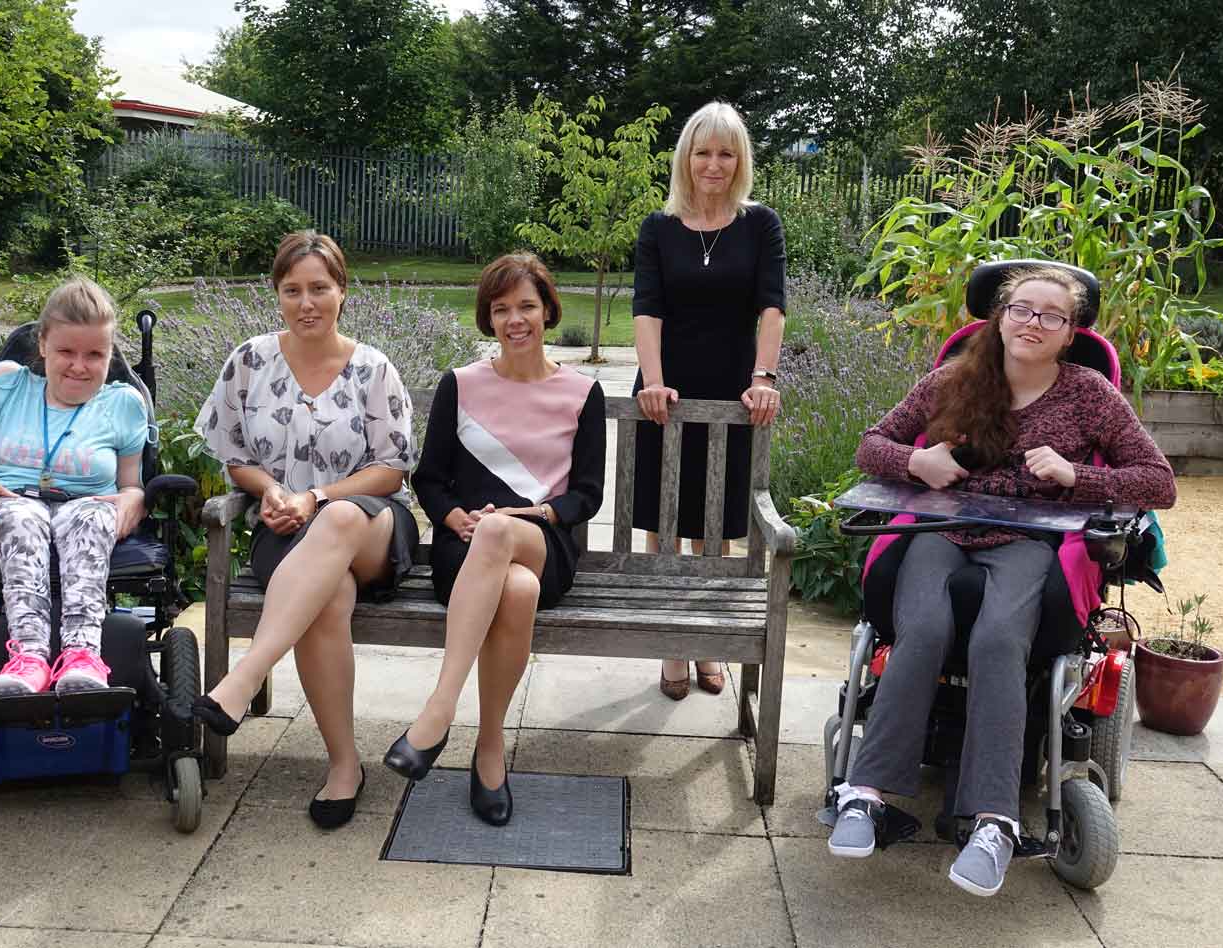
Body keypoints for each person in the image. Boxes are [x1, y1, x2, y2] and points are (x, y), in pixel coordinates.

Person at [825, 264, 1177, 897]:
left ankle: (994, 822)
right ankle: (865, 795)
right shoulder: (954, 380)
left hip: (1029, 541)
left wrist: (1078, 477)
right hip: (939, 532)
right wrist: (916, 460)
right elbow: (870, 444)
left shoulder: (1090, 395)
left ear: (1071, 332)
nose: (1032, 323)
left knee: (997, 642)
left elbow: (1158, 482)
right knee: (923, 629)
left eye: (1051, 315)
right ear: (1000, 315)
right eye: (1021, 309)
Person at [190, 231, 420, 830]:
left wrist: (315, 495)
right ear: (278, 296)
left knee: (339, 518)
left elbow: (391, 469)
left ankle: (243, 678)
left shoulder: (373, 369)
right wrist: (270, 492)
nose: (306, 302)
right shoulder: (250, 361)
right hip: (286, 535)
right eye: (292, 290)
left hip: (370, 525)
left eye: (319, 288)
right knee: (329, 598)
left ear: (343, 292)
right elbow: (233, 456)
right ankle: (345, 767)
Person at [383, 253, 605, 826]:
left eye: (526, 306)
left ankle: (437, 712)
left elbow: (586, 494)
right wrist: (452, 516)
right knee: (517, 592)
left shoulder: (582, 392)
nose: (515, 319)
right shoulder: (460, 384)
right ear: (488, 317)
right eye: (501, 309)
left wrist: (537, 513)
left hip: (544, 542)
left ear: (548, 311)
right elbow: (429, 477)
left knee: (507, 533)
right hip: (467, 551)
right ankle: (488, 748)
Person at [0, 276, 150, 698]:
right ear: (43, 344)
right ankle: (27, 656)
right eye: (66, 351)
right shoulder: (6, 385)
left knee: (91, 517)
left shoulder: (123, 405)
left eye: (95, 354)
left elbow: (130, 484)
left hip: (87, 507)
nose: (79, 366)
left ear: (110, 353)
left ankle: (83, 657)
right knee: (21, 518)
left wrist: (134, 498)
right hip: (11, 503)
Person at [632, 100, 787, 700]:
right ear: (686, 158)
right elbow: (648, 308)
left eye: (726, 153)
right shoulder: (658, 228)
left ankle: (706, 636)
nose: (713, 164)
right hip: (663, 391)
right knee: (665, 519)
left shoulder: (759, 224)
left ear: (740, 160)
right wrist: (652, 378)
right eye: (703, 152)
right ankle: (671, 646)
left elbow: (771, 306)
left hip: (733, 387)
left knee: (716, 524)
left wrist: (764, 377)